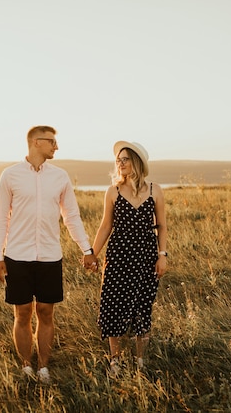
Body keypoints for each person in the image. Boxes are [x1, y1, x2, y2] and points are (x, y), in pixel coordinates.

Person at [0, 125, 97, 384]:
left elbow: (71, 216)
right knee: (22, 312)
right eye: (52, 142)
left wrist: (87, 249)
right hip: (17, 255)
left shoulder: (60, 177)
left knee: (46, 312)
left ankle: (44, 367)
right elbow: (1, 216)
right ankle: (27, 365)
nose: (56, 147)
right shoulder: (10, 175)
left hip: (50, 255)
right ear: (36, 142)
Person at [90, 141, 168, 376]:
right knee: (113, 305)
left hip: (146, 257)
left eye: (125, 159)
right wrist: (92, 253)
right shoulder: (112, 191)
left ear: (137, 162)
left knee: (142, 306)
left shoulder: (155, 190)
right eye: (118, 160)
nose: (120, 163)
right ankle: (115, 361)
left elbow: (162, 226)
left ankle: (140, 361)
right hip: (118, 257)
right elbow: (106, 226)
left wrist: (162, 255)